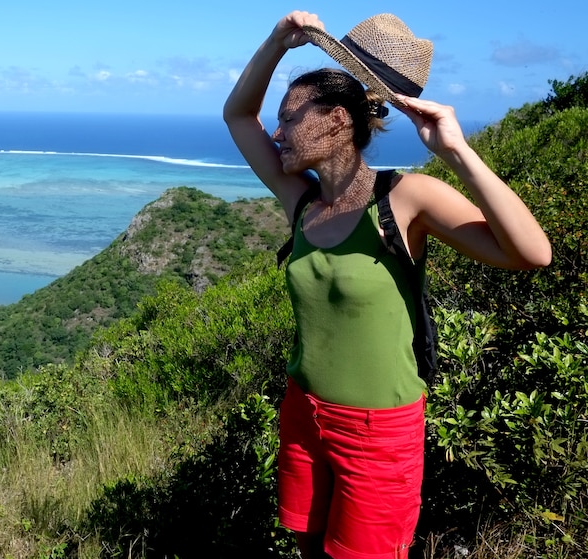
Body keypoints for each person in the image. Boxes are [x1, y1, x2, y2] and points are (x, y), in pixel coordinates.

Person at [223, 10, 551, 559]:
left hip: (379, 435)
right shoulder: (302, 200)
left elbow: (532, 254)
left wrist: (455, 152)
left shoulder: (408, 198)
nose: (276, 133)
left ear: (336, 122)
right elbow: (237, 115)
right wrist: (278, 43)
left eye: (289, 119)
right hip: (303, 411)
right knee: (306, 546)